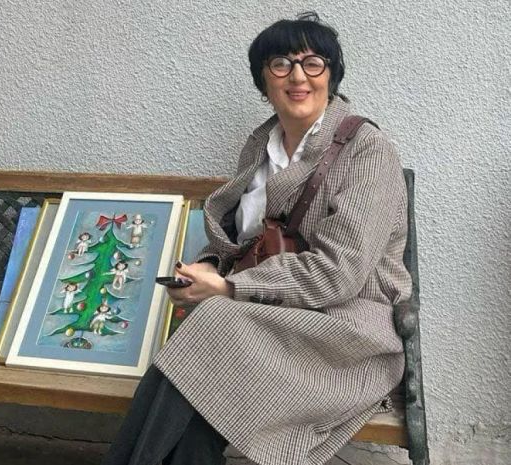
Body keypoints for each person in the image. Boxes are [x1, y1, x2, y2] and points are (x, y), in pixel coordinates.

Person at [101, 12, 410, 465]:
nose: (298, 76)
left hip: (345, 332)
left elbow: (340, 273)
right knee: (200, 379)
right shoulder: (261, 146)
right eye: (281, 64)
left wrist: (230, 288)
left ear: (331, 75)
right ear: (263, 80)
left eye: (313, 63)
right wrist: (208, 267)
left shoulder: (367, 149)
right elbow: (243, 240)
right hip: (265, 321)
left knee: (209, 335)